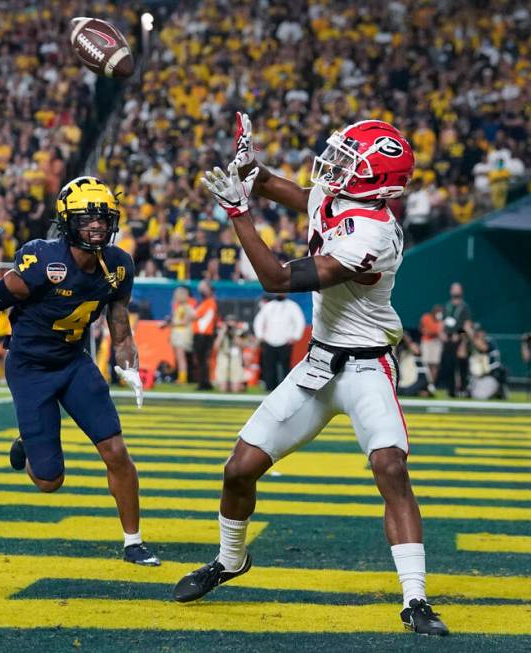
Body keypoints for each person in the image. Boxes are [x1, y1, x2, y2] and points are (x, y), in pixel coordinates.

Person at [173, 114, 448, 636]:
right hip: (319, 362)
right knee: (238, 470)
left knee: (390, 467)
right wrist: (251, 168)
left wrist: (238, 213)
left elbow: (277, 278)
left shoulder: (375, 234)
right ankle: (230, 560)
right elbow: (297, 193)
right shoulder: (346, 197)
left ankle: (415, 599)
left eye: (349, 161)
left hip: (367, 366)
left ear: (377, 182)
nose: (335, 166)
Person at [0, 176, 159, 566]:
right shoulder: (42, 263)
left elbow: (118, 317)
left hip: (73, 362)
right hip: (30, 367)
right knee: (50, 481)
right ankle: (27, 442)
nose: (98, 226)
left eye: (104, 218)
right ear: (68, 222)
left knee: (116, 451)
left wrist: (127, 362)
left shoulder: (118, 264)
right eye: (88, 218)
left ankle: (133, 542)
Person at [252, 293, 305, 390]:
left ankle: (286, 389)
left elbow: (300, 321)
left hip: (285, 341)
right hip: (269, 341)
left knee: (285, 367)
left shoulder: (292, 306)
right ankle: (270, 388)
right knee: (269, 367)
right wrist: (260, 336)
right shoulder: (268, 306)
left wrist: (295, 337)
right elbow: (259, 321)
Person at [439, 282, 472, 397]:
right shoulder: (446, 306)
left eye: (457, 288)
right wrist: (441, 333)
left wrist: (459, 335)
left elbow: (467, 326)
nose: (455, 290)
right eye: (453, 288)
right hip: (448, 341)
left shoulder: (464, 307)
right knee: (449, 365)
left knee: (461, 366)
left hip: (459, 340)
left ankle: (463, 388)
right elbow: (442, 322)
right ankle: (451, 390)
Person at [166, 286, 195, 384]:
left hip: (182, 334)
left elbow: (185, 321)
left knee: (181, 357)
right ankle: (180, 375)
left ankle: (183, 378)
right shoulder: (179, 307)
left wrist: (172, 323)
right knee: (178, 357)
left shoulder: (187, 307)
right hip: (177, 333)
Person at [192, 280, 217, 390]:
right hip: (202, 334)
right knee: (201, 360)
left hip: (204, 335)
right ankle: (204, 382)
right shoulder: (205, 302)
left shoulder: (209, 302)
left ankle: (204, 383)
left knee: (202, 360)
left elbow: (195, 315)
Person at [214, 317, 246, 393]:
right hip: (223, 359)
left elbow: (242, 346)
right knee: (223, 389)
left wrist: (233, 334)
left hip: (235, 359)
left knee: (236, 389)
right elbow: (216, 347)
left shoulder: (239, 332)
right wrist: (222, 333)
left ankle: (240, 386)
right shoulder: (220, 332)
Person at [418, 305, 444, 387]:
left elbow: (439, 332)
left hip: (436, 343)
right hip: (426, 342)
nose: (439, 313)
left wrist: (439, 324)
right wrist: (428, 332)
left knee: (435, 364)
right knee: (426, 363)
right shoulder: (426, 317)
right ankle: (426, 384)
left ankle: (432, 384)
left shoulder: (441, 321)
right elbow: (422, 328)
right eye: (438, 311)